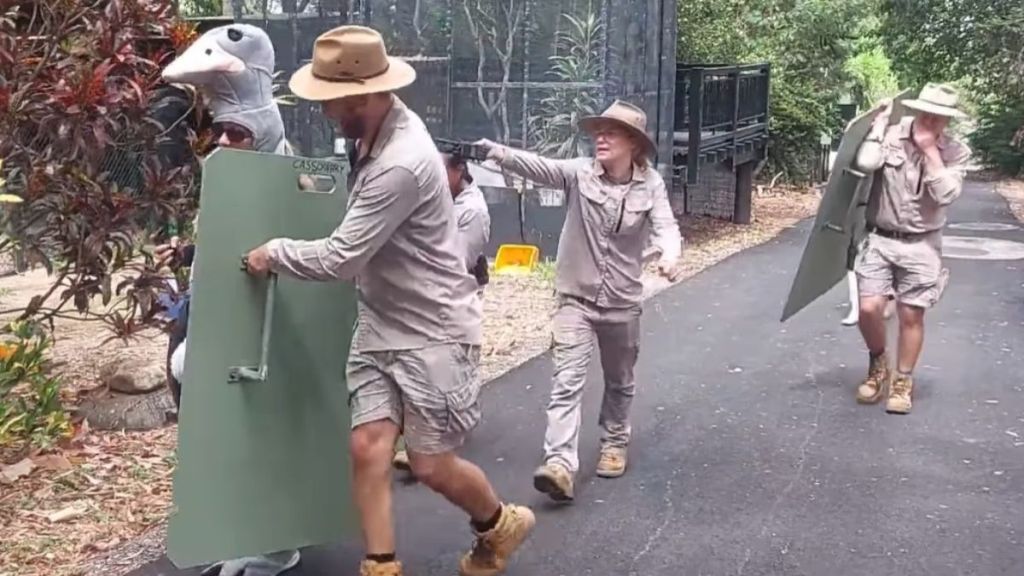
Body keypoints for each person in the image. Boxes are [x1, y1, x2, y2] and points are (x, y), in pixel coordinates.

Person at [241, 26, 533, 576]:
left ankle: (499, 523)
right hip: (380, 324)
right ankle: (380, 566)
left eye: (334, 100)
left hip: (433, 332)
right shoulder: (375, 131)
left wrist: (272, 253)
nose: (327, 111)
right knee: (368, 448)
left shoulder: (400, 160)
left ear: (367, 94)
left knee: (429, 465)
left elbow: (341, 259)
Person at [475, 100, 683, 502]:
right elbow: (538, 166)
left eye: (612, 132)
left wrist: (670, 255)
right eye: (598, 130)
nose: (600, 137)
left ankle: (615, 441)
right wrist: (495, 151)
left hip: (622, 302)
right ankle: (560, 464)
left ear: (634, 145)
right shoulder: (579, 174)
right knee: (566, 382)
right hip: (576, 300)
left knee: (620, 380)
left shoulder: (650, 185)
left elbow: (666, 227)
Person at [156, 24, 302, 576]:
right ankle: (239, 528)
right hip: (230, 322)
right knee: (193, 378)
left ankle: (274, 541)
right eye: (220, 131)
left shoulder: (287, 173)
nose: (222, 142)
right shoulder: (228, 174)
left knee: (267, 430)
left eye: (235, 133)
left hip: (276, 331)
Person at [852, 83, 971, 415]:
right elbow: (865, 161)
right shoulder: (891, 135)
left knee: (911, 314)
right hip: (880, 238)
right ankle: (878, 364)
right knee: (869, 308)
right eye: (928, 112)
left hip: (922, 244)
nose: (932, 120)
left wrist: (930, 152)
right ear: (918, 109)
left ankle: (902, 381)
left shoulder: (956, 152)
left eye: (941, 116)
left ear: (948, 120)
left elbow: (947, 194)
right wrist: (878, 124)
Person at [392, 152, 491, 474]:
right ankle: (425, 437)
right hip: (425, 293)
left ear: (459, 169)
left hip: (454, 296)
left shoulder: (472, 210)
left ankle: (437, 437)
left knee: (446, 364)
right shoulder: (436, 198)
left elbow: (457, 263)